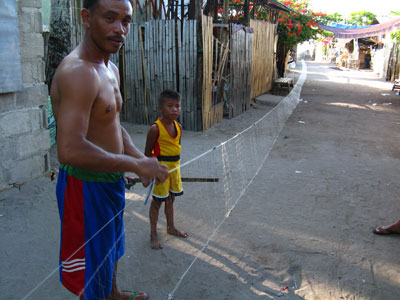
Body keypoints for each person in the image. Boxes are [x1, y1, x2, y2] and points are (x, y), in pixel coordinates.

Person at [50, 0, 168, 299]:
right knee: (91, 266)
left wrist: (140, 159)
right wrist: (135, 166)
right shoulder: (78, 72)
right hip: (84, 186)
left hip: (108, 182)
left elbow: (112, 125)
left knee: (111, 246)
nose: (120, 29)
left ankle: (113, 294)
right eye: (110, 18)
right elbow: (69, 149)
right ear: (87, 18)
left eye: (126, 21)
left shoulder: (109, 67)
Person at [144, 90, 188, 250]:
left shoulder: (179, 127)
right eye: (170, 106)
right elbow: (147, 155)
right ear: (160, 108)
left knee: (171, 199)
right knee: (157, 201)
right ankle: (153, 234)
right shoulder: (155, 129)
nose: (175, 109)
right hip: (160, 171)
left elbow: (177, 149)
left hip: (175, 169)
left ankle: (171, 227)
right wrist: (150, 173)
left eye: (177, 106)